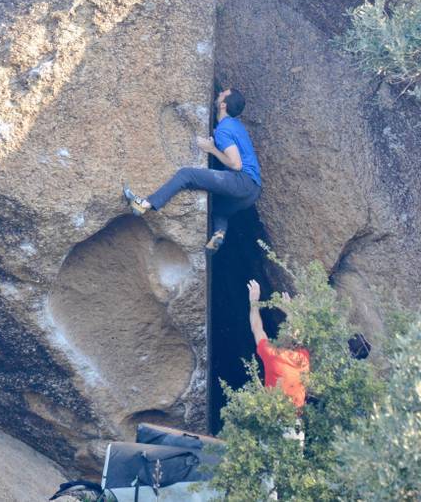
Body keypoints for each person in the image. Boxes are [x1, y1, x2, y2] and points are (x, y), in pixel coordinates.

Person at [123, 88, 262, 251]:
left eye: (222, 94)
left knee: (186, 174)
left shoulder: (224, 129)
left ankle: (144, 204)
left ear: (223, 105)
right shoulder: (235, 126)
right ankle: (219, 234)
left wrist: (212, 149)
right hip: (252, 191)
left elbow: (236, 164)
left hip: (241, 180)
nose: (218, 94)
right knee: (218, 210)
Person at [247, 279, 310, 410]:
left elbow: (256, 327)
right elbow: (298, 334)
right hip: (296, 422)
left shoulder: (273, 355)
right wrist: (291, 311)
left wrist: (254, 301)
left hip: (275, 419)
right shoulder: (303, 358)